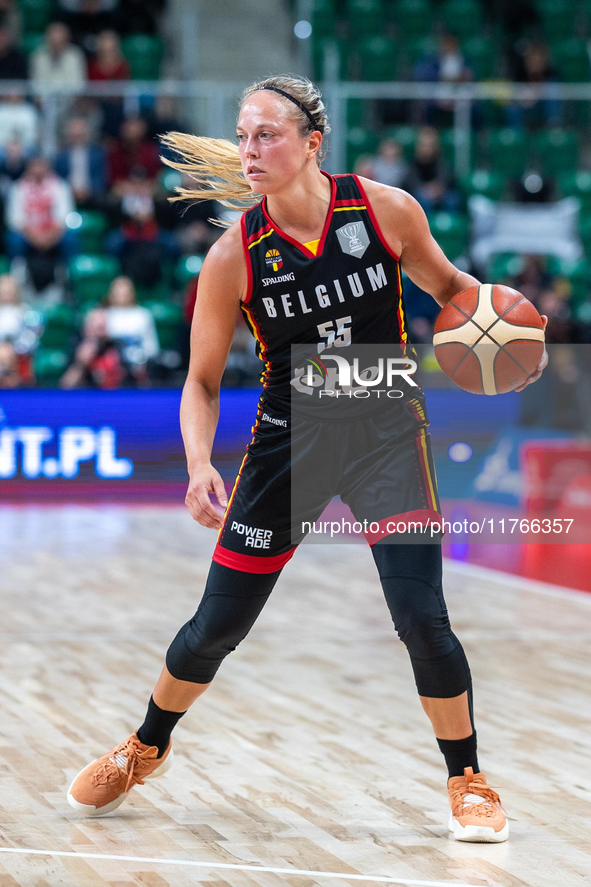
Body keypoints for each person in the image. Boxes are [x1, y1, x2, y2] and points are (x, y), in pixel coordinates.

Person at [67, 75, 547, 841]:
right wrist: (198, 463)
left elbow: (454, 289)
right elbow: (198, 381)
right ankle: (144, 745)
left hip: (387, 427)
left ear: (311, 142)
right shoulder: (233, 256)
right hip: (289, 445)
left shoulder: (385, 210)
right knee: (213, 629)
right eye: (243, 135)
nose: (249, 150)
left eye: (267, 134)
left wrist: (499, 332)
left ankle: (467, 778)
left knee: (421, 616)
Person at [5, 156, 77, 291]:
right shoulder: (18, 187)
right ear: (29, 167)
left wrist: (49, 236)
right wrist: (36, 237)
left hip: (54, 234)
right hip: (28, 235)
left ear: (47, 166)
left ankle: (66, 275)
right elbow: (15, 219)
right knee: (13, 239)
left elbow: (65, 217)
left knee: (70, 239)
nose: (38, 169)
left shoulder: (60, 186)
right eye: (34, 165)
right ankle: (17, 274)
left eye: (41, 165)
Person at [60, 307, 125, 389]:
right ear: (86, 328)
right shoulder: (76, 344)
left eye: (103, 326)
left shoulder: (116, 346)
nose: (100, 331)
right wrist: (80, 364)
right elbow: (66, 386)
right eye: (97, 326)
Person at [54, 116, 107, 206]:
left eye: (80, 135)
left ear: (86, 135)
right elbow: (58, 179)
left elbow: (101, 176)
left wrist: (89, 190)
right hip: (67, 195)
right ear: (68, 135)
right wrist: (69, 191)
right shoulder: (61, 156)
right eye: (74, 135)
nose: (77, 138)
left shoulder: (97, 154)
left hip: (93, 195)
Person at [29, 21, 87, 93]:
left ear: (66, 38)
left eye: (59, 39)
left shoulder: (75, 55)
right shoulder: (38, 55)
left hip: (70, 100)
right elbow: (35, 83)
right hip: (44, 99)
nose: (56, 41)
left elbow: (78, 85)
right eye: (53, 38)